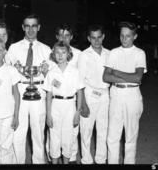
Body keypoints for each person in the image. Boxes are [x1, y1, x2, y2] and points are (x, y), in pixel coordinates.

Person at [5, 14, 51, 164]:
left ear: (39, 28)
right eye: (27, 26)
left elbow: (50, 75)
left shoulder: (46, 49)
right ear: (23, 28)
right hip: (20, 90)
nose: (30, 29)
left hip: (39, 92)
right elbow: (8, 72)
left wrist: (45, 71)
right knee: (18, 132)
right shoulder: (13, 48)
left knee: (38, 133)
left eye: (34, 26)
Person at [103, 21, 147, 164]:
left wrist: (116, 72)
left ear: (135, 36)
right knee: (112, 137)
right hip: (116, 94)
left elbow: (137, 77)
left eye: (128, 36)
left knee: (130, 137)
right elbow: (106, 76)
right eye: (122, 36)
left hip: (133, 96)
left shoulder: (139, 53)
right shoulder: (114, 52)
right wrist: (127, 77)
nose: (124, 39)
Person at [45, 24, 90, 163]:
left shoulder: (76, 65)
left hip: (70, 104)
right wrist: (48, 114)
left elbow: (80, 89)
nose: (60, 55)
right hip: (55, 105)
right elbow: (48, 94)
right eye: (60, 35)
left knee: (69, 139)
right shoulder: (52, 69)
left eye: (63, 53)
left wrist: (79, 110)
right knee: (54, 139)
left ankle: (69, 161)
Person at [78, 25, 110, 164]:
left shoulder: (109, 54)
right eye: (93, 38)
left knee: (103, 129)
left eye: (99, 37)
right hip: (89, 93)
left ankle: (101, 159)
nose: (96, 41)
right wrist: (83, 103)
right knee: (86, 130)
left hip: (105, 94)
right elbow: (80, 81)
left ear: (103, 37)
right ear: (88, 38)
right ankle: (86, 160)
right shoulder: (84, 55)